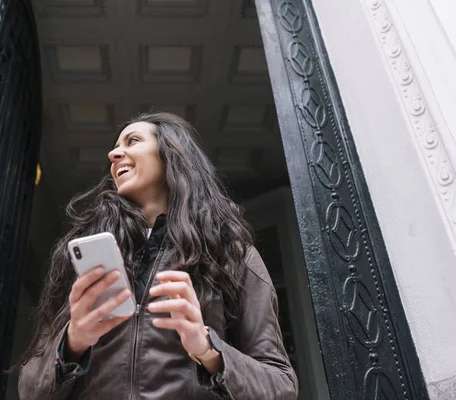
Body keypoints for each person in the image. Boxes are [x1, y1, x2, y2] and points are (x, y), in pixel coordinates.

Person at [17, 112, 298, 399]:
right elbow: (29, 390)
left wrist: (207, 349)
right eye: (115, 146)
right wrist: (73, 341)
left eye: (133, 140)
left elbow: (281, 386)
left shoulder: (232, 255)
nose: (114, 154)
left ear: (171, 155)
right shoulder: (84, 260)